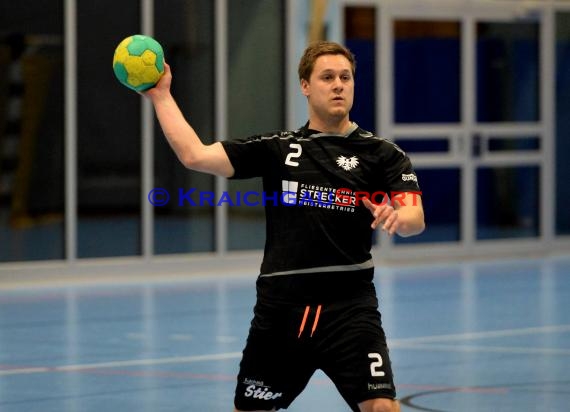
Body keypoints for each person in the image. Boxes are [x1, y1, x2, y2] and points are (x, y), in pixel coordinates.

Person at [145, 41, 425, 412]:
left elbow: (413, 218)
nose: (338, 84)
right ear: (305, 86)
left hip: (350, 306)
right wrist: (161, 96)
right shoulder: (278, 149)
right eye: (327, 77)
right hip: (282, 307)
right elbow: (195, 155)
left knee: (382, 407)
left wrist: (396, 216)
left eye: (345, 77)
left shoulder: (383, 154)